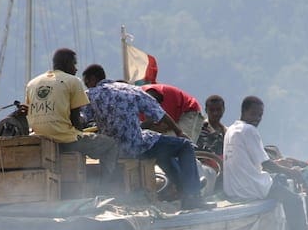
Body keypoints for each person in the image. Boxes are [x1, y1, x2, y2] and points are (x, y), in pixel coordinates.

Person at [81, 64, 211, 210]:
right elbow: (159, 113)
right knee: (184, 146)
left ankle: (186, 191)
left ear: (92, 79)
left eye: (86, 82)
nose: (87, 86)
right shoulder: (130, 90)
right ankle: (192, 195)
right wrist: (178, 131)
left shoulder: (89, 95)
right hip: (137, 147)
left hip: (114, 150)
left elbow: (81, 120)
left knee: (163, 152)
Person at [221, 96, 308, 230]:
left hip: (234, 187)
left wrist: (279, 166)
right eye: (254, 113)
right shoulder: (249, 130)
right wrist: (291, 172)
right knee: (294, 201)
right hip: (251, 187)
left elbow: (256, 161)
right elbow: (266, 164)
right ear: (244, 111)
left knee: (278, 181)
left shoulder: (231, 130)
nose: (257, 118)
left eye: (260, 115)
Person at [25, 48, 119, 186]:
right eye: (74, 64)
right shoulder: (72, 81)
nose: (76, 69)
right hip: (64, 141)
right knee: (110, 144)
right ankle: (105, 189)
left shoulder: (32, 83)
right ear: (66, 63)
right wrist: (82, 136)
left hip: (40, 139)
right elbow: (76, 121)